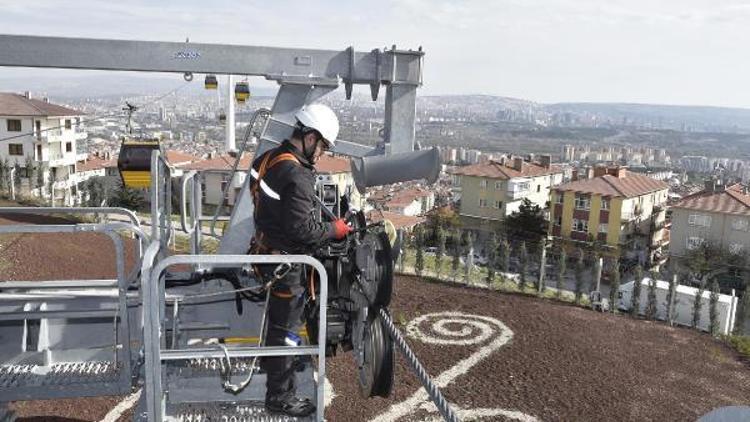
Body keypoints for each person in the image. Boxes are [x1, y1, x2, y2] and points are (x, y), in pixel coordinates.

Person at [249, 103, 352, 417]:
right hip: (285, 263)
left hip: (265, 249)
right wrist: (334, 228)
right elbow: (302, 230)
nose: (321, 152)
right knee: (288, 331)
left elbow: (266, 197)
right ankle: (280, 396)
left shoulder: (268, 158)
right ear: (309, 137)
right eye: (321, 145)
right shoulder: (297, 173)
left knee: (279, 323)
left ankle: (272, 363)